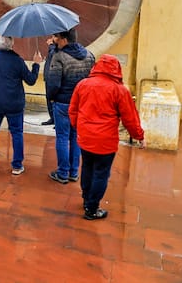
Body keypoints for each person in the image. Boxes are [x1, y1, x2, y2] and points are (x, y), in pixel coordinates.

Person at [69, 54, 145, 220]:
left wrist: (79, 127)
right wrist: (139, 136)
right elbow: (130, 118)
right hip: (106, 141)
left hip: (86, 138)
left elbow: (73, 109)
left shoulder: (83, 84)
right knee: (101, 173)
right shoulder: (119, 90)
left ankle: (86, 199)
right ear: (116, 69)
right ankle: (92, 208)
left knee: (87, 168)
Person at [0, 36, 42, 175]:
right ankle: (17, 166)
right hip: (14, 103)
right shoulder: (17, 61)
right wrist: (36, 64)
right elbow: (30, 80)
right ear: (12, 45)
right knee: (17, 133)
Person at [46, 28, 95, 184]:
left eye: (56, 37)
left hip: (63, 103)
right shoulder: (89, 55)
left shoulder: (59, 57)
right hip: (81, 104)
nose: (54, 40)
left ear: (64, 39)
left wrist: (51, 98)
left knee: (62, 137)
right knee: (75, 137)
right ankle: (74, 172)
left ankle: (62, 173)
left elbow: (53, 83)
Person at [41, 37, 57, 126]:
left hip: (54, 77)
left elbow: (55, 55)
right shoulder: (53, 48)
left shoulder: (57, 48)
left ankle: (57, 120)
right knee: (49, 98)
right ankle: (52, 118)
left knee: (55, 99)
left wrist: (51, 45)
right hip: (48, 77)